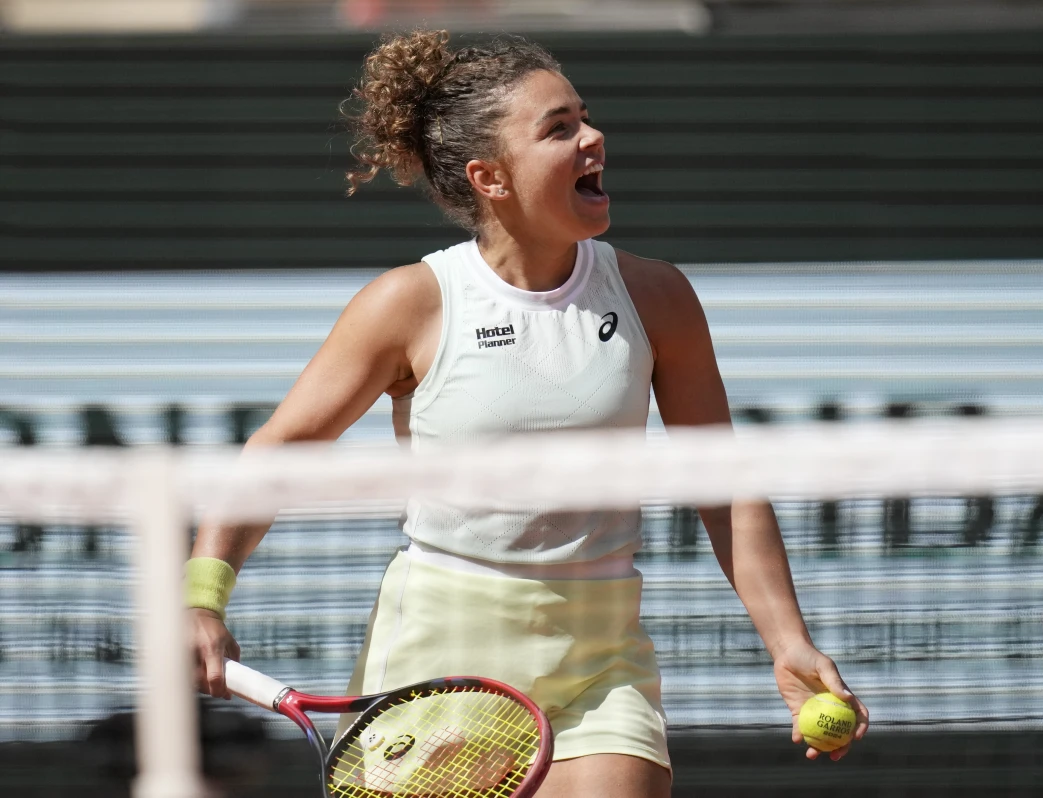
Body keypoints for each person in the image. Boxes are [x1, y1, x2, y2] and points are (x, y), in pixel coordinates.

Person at [186, 30, 868, 797]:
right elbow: (280, 450)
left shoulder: (658, 297)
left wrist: (788, 641)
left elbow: (725, 484)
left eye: (586, 117)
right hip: (441, 656)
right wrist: (201, 599)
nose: (592, 137)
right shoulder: (409, 304)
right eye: (559, 129)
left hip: (600, 656)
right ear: (491, 177)